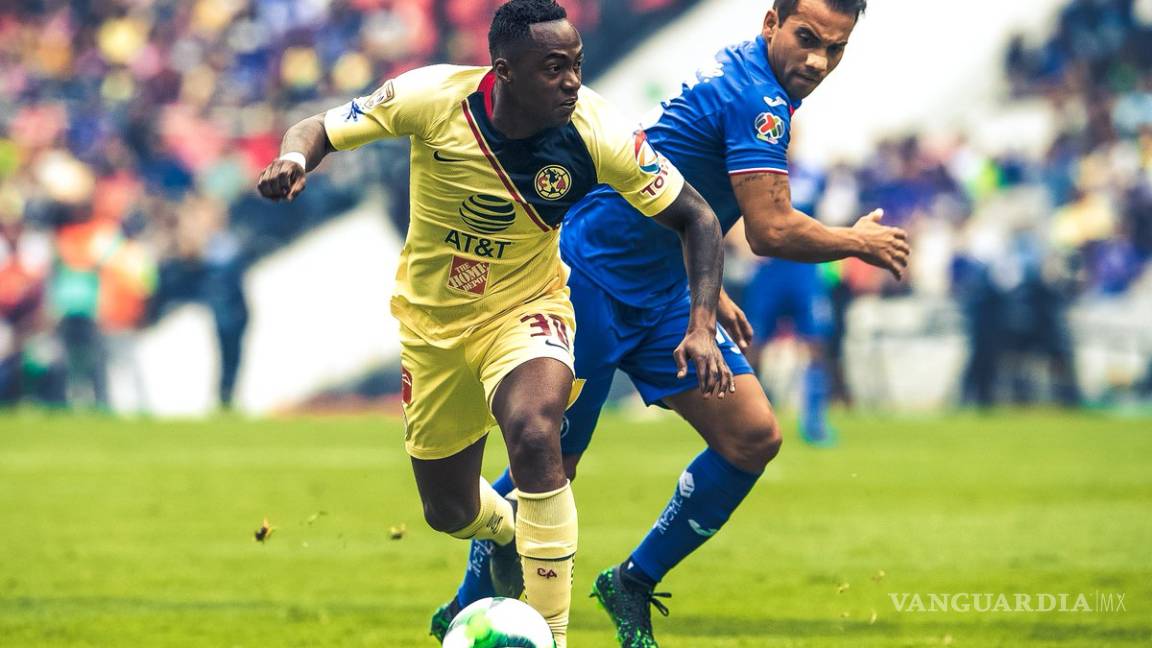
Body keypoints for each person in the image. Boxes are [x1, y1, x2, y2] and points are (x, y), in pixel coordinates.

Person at [432, 1, 910, 646]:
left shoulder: (752, 76)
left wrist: (701, 292)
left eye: (835, 48)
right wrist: (855, 241)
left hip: (660, 292)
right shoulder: (759, 98)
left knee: (752, 436)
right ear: (771, 23)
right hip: (591, 284)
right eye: (807, 38)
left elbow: (687, 189)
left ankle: (632, 578)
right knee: (551, 468)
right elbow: (768, 231)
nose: (818, 60)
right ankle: (468, 608)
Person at [255, 1, 734, 645]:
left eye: (576, 66)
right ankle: (505, 531)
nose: (571, 81)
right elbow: (318, 126)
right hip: (433, 331)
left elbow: (697, 218)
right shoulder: (432, 97)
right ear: (504, 71)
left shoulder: (597, 132)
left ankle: (552, 634)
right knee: (447, 509)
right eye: (554, 67)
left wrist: (700, 323)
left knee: (537, 434)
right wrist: (294, 162)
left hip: (527, 308)